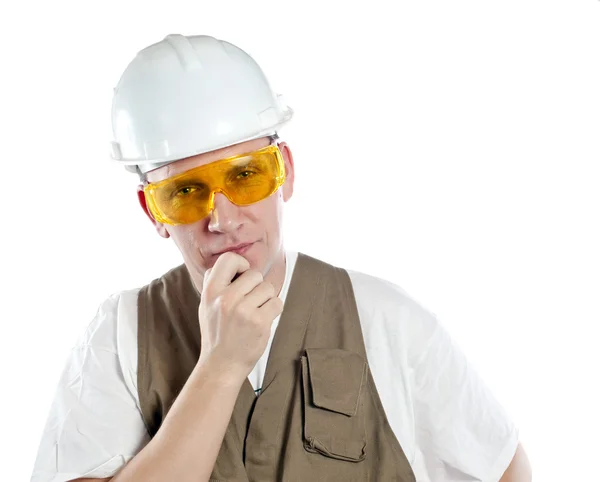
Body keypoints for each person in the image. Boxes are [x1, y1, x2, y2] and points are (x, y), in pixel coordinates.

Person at [30, 34, 532, 482]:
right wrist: (221, 366)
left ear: (285, 172)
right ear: (152, 211)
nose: (222, 219)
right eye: (184, 191)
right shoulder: (120, 336)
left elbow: (505, 468)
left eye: (245, 176)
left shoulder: (386, 319)